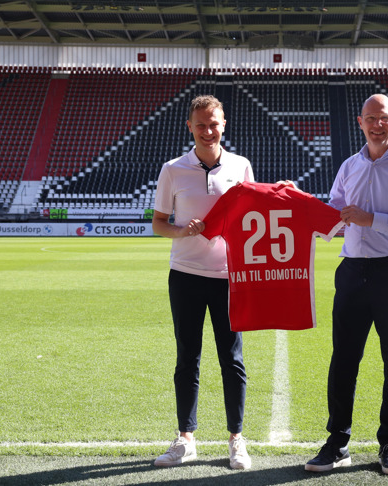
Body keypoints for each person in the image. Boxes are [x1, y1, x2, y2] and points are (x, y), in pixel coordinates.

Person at [305, 94, 388, 475]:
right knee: (343, 361)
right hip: (351, 272)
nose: (377, 125)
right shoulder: (349, 166)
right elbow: (334, 214)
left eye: (384, 118)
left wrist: (371, 219)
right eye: (370, 119)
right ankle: (337, 442)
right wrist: (296, 200)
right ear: (360, 122)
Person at [152, 95, 254, 470]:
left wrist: (285, 192)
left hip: (229, 277)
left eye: (213, 124)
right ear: (190, 127)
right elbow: (158, 223)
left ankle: (236, 439)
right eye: (201, 125)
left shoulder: (241, 166)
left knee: (232, 359)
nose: (208, 131)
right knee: (187, 358)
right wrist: (181, 231)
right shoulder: (172, 170)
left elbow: (254, 215)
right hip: (185, 276)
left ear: (223, 124)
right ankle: (186, 438)